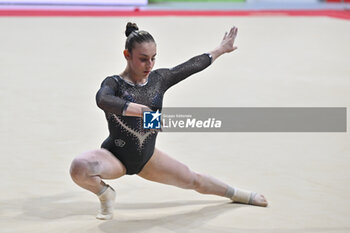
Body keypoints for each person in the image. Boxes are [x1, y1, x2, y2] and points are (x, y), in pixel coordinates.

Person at [70, 22, 268, 220]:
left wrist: (221, 49)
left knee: (193, 180)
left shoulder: (159, 79)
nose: (149, 65)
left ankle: (241, 195)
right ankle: (106, 194)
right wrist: (142, 111)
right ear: (127, 55)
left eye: (153, 59)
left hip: (147, 158)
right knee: (79, 166)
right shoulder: (114, 83)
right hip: (114, 157)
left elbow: (191, 66)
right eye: (143, 59)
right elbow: (103, 100)